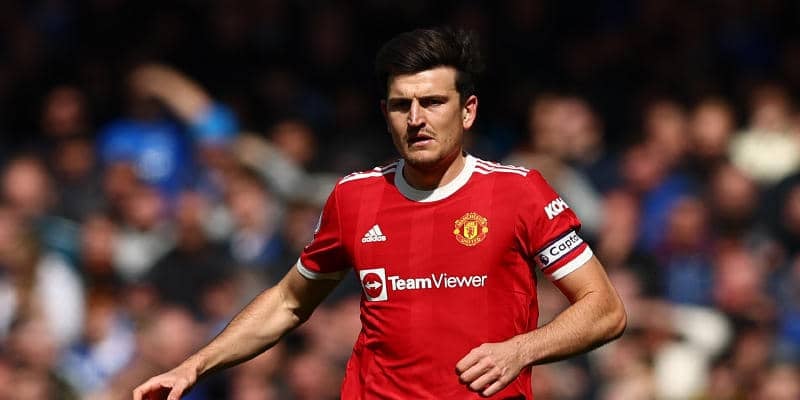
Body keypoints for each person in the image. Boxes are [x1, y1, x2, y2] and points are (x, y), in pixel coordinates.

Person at [133, 27, 626, 400]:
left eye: (432, 102)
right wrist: (194, 365)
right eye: (400, 105)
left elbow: (604, 309)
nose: (416, 119)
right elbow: (288, 302)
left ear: (468, 111)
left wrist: (521, 349)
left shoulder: (519, 192)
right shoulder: (355, 197)